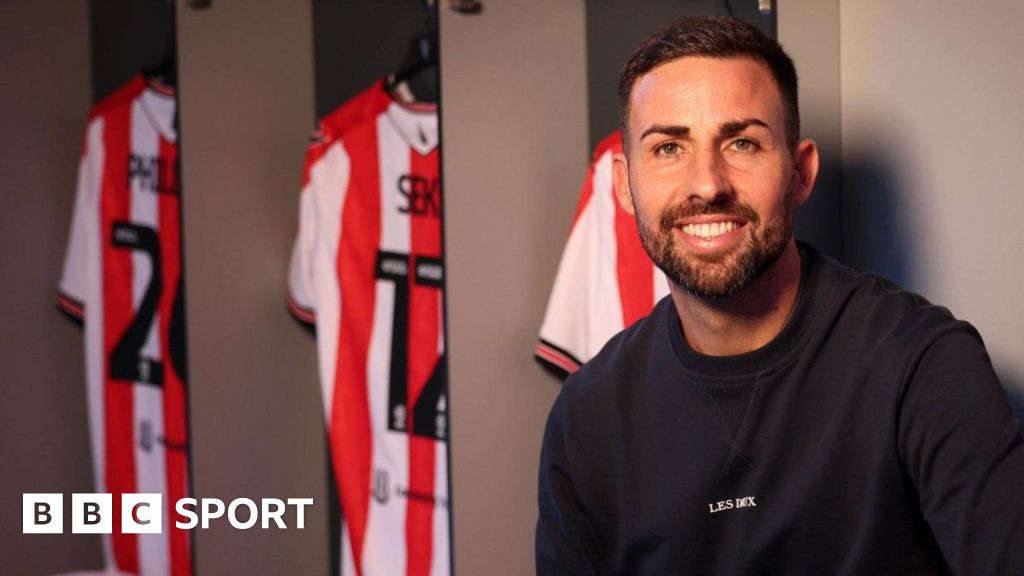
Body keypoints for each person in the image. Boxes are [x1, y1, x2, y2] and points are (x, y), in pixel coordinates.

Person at [535, 15, 1024, 575]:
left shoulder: (923, 366)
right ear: (624, 184)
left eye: (742, 142)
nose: (707, 184)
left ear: (800, 172)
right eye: (669, 148)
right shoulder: (587, 417)